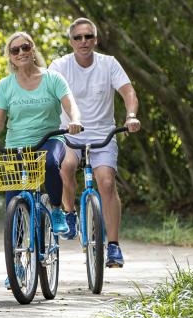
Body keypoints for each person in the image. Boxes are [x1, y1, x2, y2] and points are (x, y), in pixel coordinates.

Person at [48, 17, 141, 268]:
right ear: (71, 41)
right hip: (69, 132)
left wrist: (131, 116)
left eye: (88, 36)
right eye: (78, 37)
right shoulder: (60, 65)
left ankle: (113, 246)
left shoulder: (108, 64)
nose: (83, 41)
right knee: (65, 167)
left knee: (107, 183)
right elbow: (47, 94)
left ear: (96, 40)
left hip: (103, 134)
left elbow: (128, 92)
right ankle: (69, 213)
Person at [0, 31, 83, 241]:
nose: (21, 52)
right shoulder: (5, 85)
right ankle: (16, 268)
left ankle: (57, 211)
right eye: (15, 50)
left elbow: (72, 107)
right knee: (12, 207)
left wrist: (75, 121)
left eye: (25, 47)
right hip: (16, 144)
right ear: (10, 56)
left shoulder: (53, 78)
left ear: (32, 49)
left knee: (50, 163)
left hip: (50, 138)